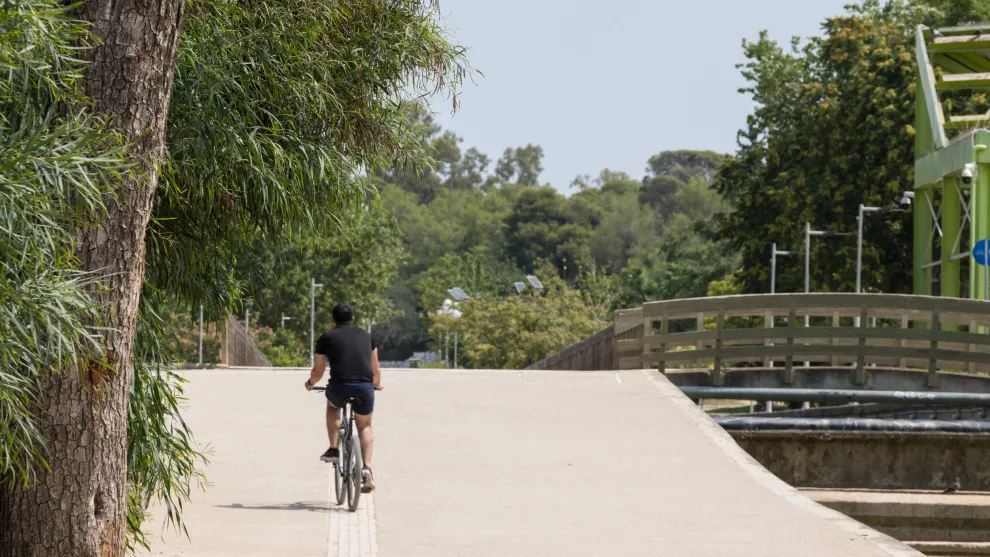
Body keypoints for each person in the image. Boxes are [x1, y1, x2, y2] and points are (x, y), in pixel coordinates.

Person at [305, 303, 383, 492]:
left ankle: (333, 448)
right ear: (353, 319)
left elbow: (319, 370)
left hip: (339, 387)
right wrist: (377, 384)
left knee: (333, 407)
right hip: (365, 388)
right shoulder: (367, 336)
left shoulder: (326, 338)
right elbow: (375, 368)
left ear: (333, 320)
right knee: (364, 425)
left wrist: (310, 383)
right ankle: (366, 468)